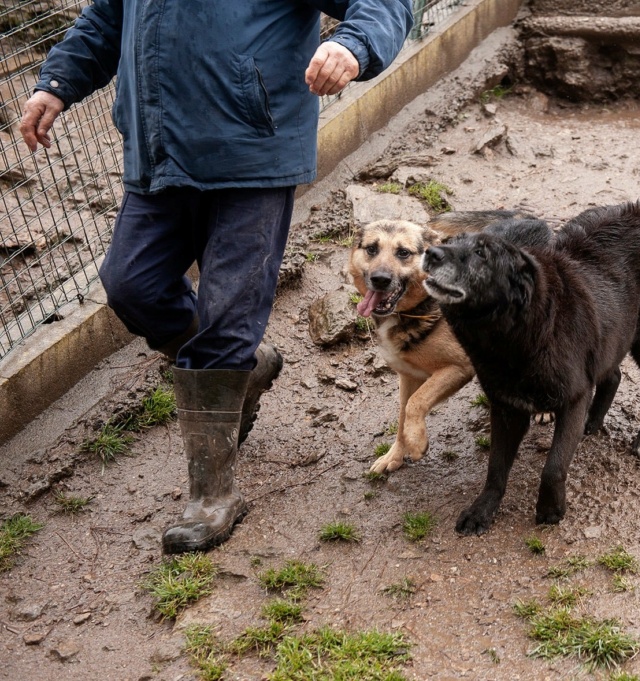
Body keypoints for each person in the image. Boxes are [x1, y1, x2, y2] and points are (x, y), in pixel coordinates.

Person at [19, 1, 414, 554]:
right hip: (159, 153)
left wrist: (351, 45)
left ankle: (213, 495)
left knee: (227, 316)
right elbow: (109, 18)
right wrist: (57, 83)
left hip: (253, 152)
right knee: (132, 285)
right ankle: (243, 370)